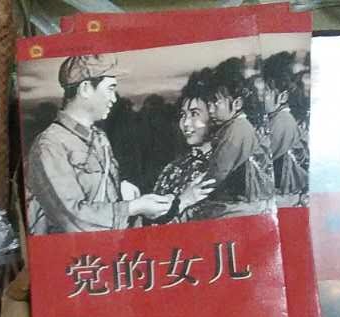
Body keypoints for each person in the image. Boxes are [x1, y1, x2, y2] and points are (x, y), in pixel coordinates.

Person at [24, 54, 173, 234]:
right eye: (110, 89)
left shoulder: (99, 137)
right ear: (86, 89)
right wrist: (133, 207)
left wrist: (122, 190)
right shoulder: (49, 145)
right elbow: (71, 219)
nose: (114, 98)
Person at [200, 58, 274, 218]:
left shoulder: (236, 129)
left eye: (216, 103)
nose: (211, 110)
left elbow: (218, 173)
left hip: (242, 205)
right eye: (209, 104)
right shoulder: (235, 126)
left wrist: (194, 194)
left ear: (237, 104)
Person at [148, 72, 217, 223]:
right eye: (183, 114)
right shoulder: (172, 168)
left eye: (194, 114)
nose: (185, 123)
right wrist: (183, 201)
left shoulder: (223, 166)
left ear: (214, 116)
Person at [260, 52, 308, 201]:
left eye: (265, 93)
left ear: (283, 97)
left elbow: (262, 161)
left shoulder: (282, 121)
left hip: (286, 193)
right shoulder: (277, 117)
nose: (260, 98)